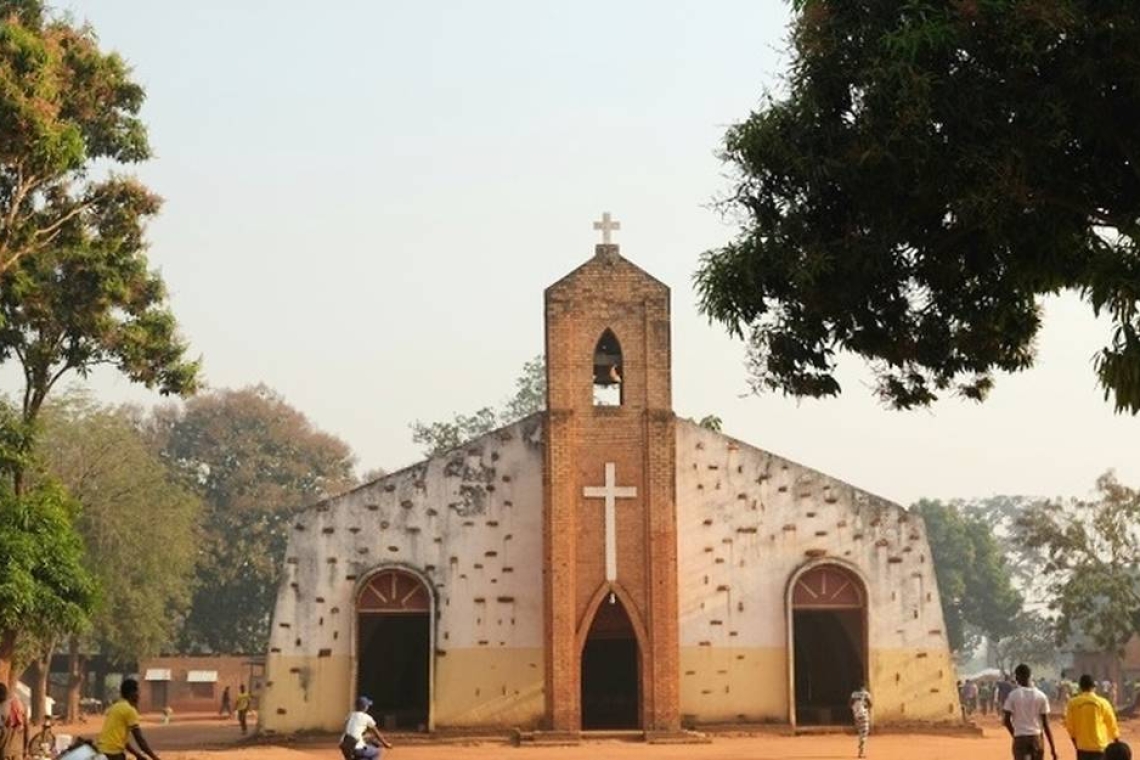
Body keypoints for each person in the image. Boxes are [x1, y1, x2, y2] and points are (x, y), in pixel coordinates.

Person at [95, 678, 161, 760]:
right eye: (138, 692)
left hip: (101, 751)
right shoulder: (130, 710)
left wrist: (137, 755)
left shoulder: (116, 706)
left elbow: (122, 741)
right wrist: (155, 758)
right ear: (132, 693)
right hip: (113, 754)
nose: (139, 695)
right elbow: (140, 740)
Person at [1003, 663, 1058, 760]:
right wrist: (1053, 749)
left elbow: (1006, 721)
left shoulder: (1013, 695)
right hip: (1036, 738)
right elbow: (1046, 724)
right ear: (1030, 676)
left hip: (1020, 737)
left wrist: (1015, 734)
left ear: (1017, 677)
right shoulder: (1041, 696)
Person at [1065, 673, 1120, 760]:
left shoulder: (1072, 703)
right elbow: (1111, 723)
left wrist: (1075, 742)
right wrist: (1116, 739)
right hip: (1100, 746)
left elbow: (1069, 726)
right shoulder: (1103, 703)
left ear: (1080, 687)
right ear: (1094, 687)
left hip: (1082, 747)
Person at [0, 683, 28, 760]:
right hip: (18, 751)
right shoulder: (21, 706)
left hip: (4, 752)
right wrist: (26, 748)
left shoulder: (2, 709)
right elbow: (26, 730)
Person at [849, 683, 873, 759]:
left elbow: (850, 704)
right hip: (864, 715)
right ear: (864, 687)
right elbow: (870, 704)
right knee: (865, 732)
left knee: (860, 731)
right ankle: (861, 750)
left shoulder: (854, 694)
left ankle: (861, 743)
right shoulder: (866, 694)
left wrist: (855, 710)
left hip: (856, 715)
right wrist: (865, 706)